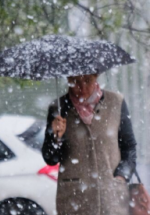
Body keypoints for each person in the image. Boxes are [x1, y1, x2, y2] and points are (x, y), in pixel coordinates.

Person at [42, 73, 137, 215]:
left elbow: (129, 148)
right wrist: (55, 138)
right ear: (68, 80)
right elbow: (50, 158)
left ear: (96, 76)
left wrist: (121, 176)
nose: (82, 87)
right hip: (75, 199)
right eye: (75, 81)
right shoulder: (59, 108)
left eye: (87, 80)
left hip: (111, 198)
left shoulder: (116, 102)